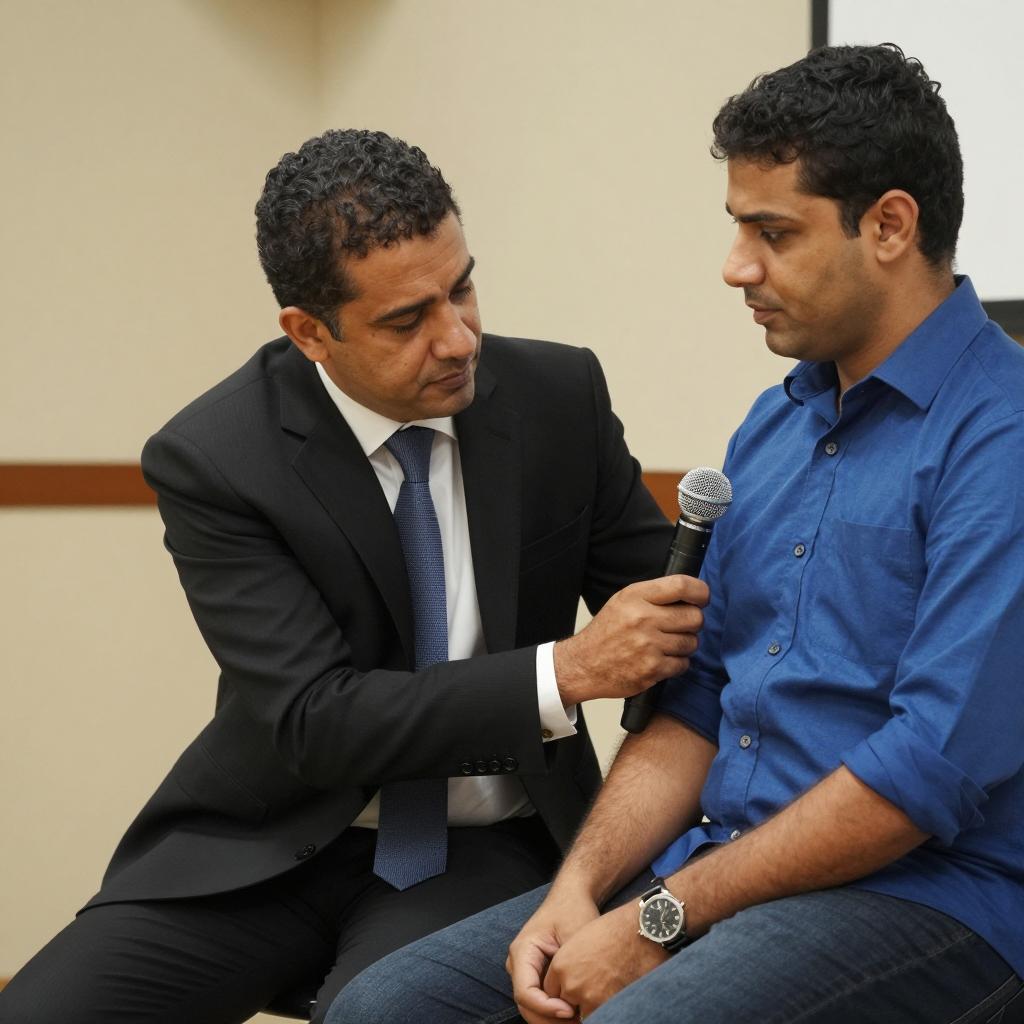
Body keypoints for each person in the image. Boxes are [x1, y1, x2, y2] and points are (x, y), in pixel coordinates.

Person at [324, 44, 1024, 1024]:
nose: (737, 266)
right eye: (738, 228)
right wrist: (578, 890)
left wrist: (661, 917)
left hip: (925, 895)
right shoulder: (773, 424)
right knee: (386, 1009)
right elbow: (693, 706)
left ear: (890, 226)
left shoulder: (1002, 432)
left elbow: (920, 775)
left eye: (772, 233)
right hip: (716, 870)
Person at [0, 130, 706, 1024]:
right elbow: (316, 719)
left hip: (485, 841)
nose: (458, 339)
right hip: (264, 843)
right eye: (407, 322)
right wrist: (562, 672)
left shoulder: (558, 399)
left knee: (379, 1014)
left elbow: (680, 630)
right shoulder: (217, 457)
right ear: (310, 333)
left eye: (462, 289)